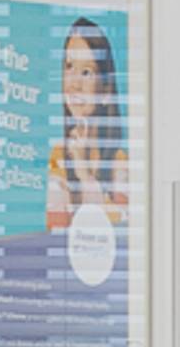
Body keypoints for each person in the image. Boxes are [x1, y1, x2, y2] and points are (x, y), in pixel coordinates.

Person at [40, 17, 131, 228]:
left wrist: (84, 175)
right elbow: (56, 233)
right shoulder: (58, 157)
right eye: (69, 66)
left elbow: (118, 230)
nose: (74, 83)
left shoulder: (119, 162)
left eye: (87, 72)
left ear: (106, 91)